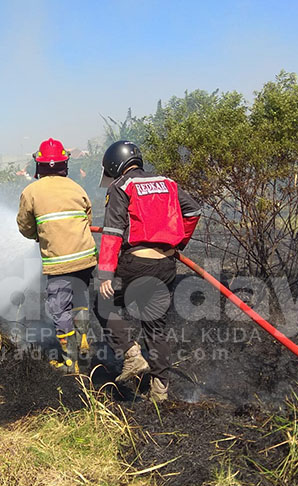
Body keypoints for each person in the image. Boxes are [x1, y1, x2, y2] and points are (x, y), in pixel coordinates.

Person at [97, 140, 201, 401]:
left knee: (102, 302)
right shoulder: (167, 183)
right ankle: (159, 390)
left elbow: (112, 232)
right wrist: (180, 241)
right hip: (165, 265)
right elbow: (194, 210)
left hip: (137, 263)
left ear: (113, 165)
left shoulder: (121, 186)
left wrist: (106, 274)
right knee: (155, 326)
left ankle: (131, 355)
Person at [17, 138, 96, 373]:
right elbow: (88, 219)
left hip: (59, 262)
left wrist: (38, 235)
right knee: (80, 300)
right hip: (85, 257)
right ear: (64, 164)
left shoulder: (31, 191)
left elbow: (24, 226)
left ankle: (70, 362)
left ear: (39, 166)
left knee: (60, 309)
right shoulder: (76, 187)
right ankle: (83, 341)